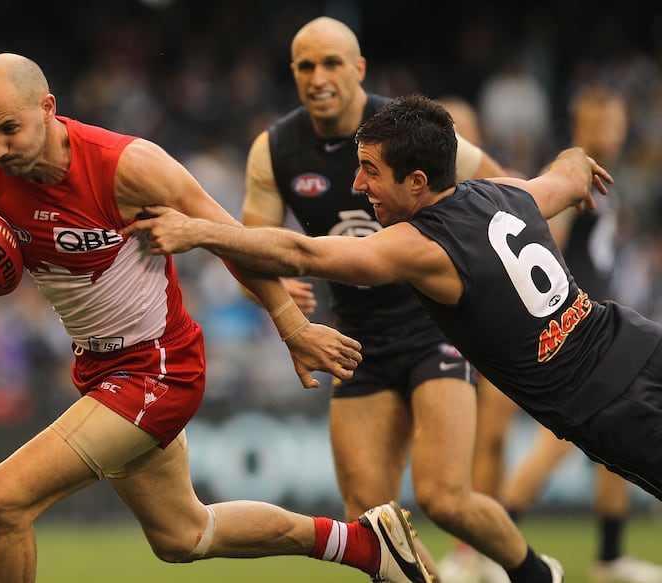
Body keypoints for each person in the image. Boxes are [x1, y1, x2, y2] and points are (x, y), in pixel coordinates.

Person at [0, 53, 436, 583]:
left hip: (158, 369)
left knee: (3, 499)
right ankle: (366, 547)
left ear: (48, 108)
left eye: (9, 129)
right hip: (97, 371)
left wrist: (292, 326)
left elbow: (232, 241)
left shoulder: (127, 166)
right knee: (184, 536)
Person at [128, 92, 662, 581]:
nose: (357, 186)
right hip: (641, 342)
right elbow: (565, 177)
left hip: (607, 406)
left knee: (446, 495)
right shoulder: (505, 194)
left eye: (369, 172)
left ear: (417, 182)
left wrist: (197, 231)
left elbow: (303, 253)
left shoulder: (422, 246)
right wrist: (577, 159)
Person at [241, 16, 546, 582]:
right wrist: (273, 289)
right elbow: (251, 247)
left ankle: (535, 575)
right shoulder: (276, 148)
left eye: (332, 63)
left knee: (445, 497)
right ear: (293, 74)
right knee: (369, 519)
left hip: (436, 328)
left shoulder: (407, 127)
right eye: (306, 66)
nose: (319, 76)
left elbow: (503, 195)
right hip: (355, 342)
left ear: (358, 68)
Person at [482, 85, 662, 583]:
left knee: (612, 462)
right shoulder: (562, 180)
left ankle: (608, 557)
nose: (612, 131)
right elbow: (540, 246)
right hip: (577, 339)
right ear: (580, 124)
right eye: (601, 122)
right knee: (549, 453)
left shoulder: (607, 179)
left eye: (617, 121)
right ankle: (500, 554)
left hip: (606, 327)